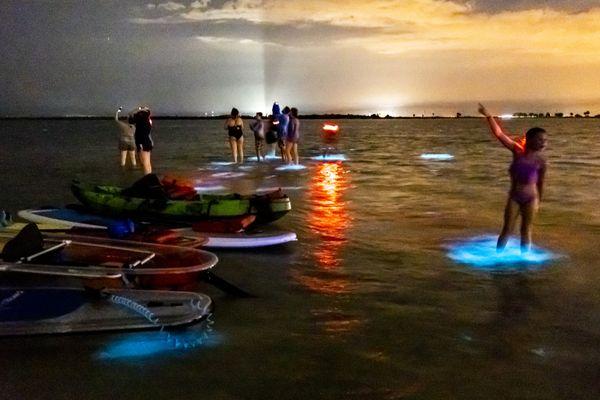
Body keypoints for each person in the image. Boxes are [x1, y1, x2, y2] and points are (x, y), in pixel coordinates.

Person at [478, 103, 547, 253]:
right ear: (529, 140)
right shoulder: (517, 151)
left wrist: (539, 202)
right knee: (507, 229)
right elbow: (499, 134)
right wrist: (488, 115)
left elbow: (541, 183)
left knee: (526, 230)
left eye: (545, 140)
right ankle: (497, 258)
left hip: (531, 199)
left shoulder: (541, 161)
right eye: (540, 140)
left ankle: (525, 262)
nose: (544, 143)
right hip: (515, 197)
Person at [133, 106, 153, 175]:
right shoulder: (148, 121)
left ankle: (147, 179)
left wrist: (137, 110)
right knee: (147, 163)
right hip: (147, 142)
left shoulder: (141, 123)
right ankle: (149, 177)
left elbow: (130, 117)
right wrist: (144, 109)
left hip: (142, 143)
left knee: (144, 163)